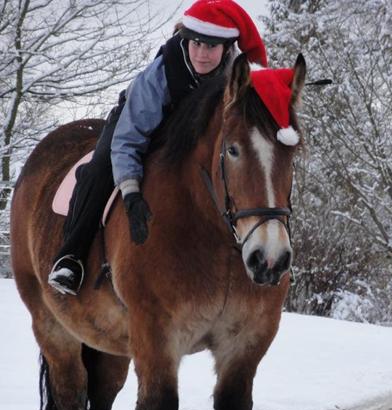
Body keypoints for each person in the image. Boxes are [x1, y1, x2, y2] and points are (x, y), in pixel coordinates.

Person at [48, 0, 267, 295]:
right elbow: (130, 138)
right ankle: (71, 256)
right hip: (137, 126)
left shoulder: (236, 75)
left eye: (211, 46)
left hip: (190, 138)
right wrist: (131, 193)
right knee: (100, 169)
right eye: (196, 43)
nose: (202, 53)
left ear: (227, 48)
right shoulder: (162, 73)